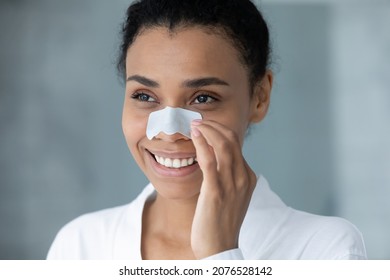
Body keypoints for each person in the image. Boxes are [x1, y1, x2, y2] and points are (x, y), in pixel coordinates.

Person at [47, 0, 367, 260]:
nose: (170, 132)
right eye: (144, 96)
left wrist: (220, 254)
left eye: (203, 98)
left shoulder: (328, 250)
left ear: (259, 97)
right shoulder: (80, 246)